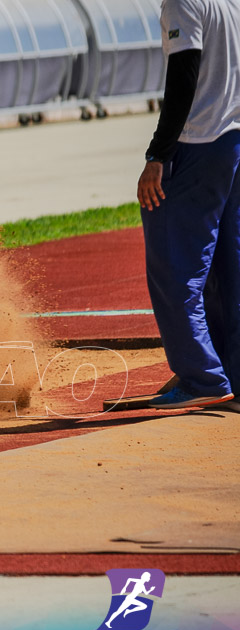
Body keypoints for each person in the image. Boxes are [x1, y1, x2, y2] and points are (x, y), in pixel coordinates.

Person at [137, 0, 240, 410]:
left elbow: (184, 77)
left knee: (174, 267)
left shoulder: (182, 2)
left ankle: (203, 377)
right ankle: (230, 372)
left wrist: (157, 155)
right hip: (233, 140)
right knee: (227, 268)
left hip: (198, 142)